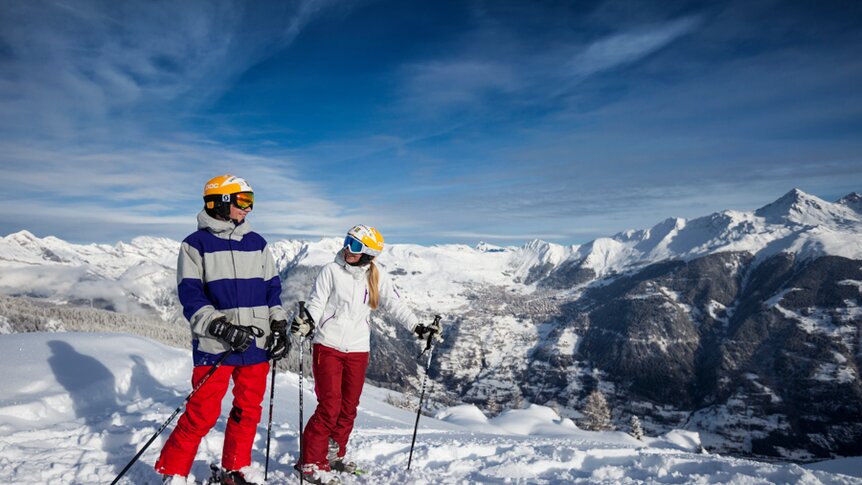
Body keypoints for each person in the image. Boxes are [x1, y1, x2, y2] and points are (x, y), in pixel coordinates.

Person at [155, 175, 290, 485]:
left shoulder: (257, 243)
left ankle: (236, 467)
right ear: (220, 202)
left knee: (248, 409)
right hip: (216, 345)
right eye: (243, 201)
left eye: (250, 201)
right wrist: (219, 326)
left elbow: (272, 289)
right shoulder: (195, 245)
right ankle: (174, 473)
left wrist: (279, 324)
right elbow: (190, 295)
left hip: (256, 344)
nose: (249, 208)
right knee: (201, 412)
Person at [290, 224, 442, 484]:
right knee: (329, 406)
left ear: (369, 253)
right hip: (327, 346)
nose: (348, 249)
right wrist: (308, 322)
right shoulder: (331, 271)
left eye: (356, 246)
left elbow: (396, 304)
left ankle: (333, 454)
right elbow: (316, 302)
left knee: (348, 408)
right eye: (348, 241)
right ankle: (309, 463)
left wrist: (418, 327)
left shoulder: (377, 275)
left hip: (358, 349)